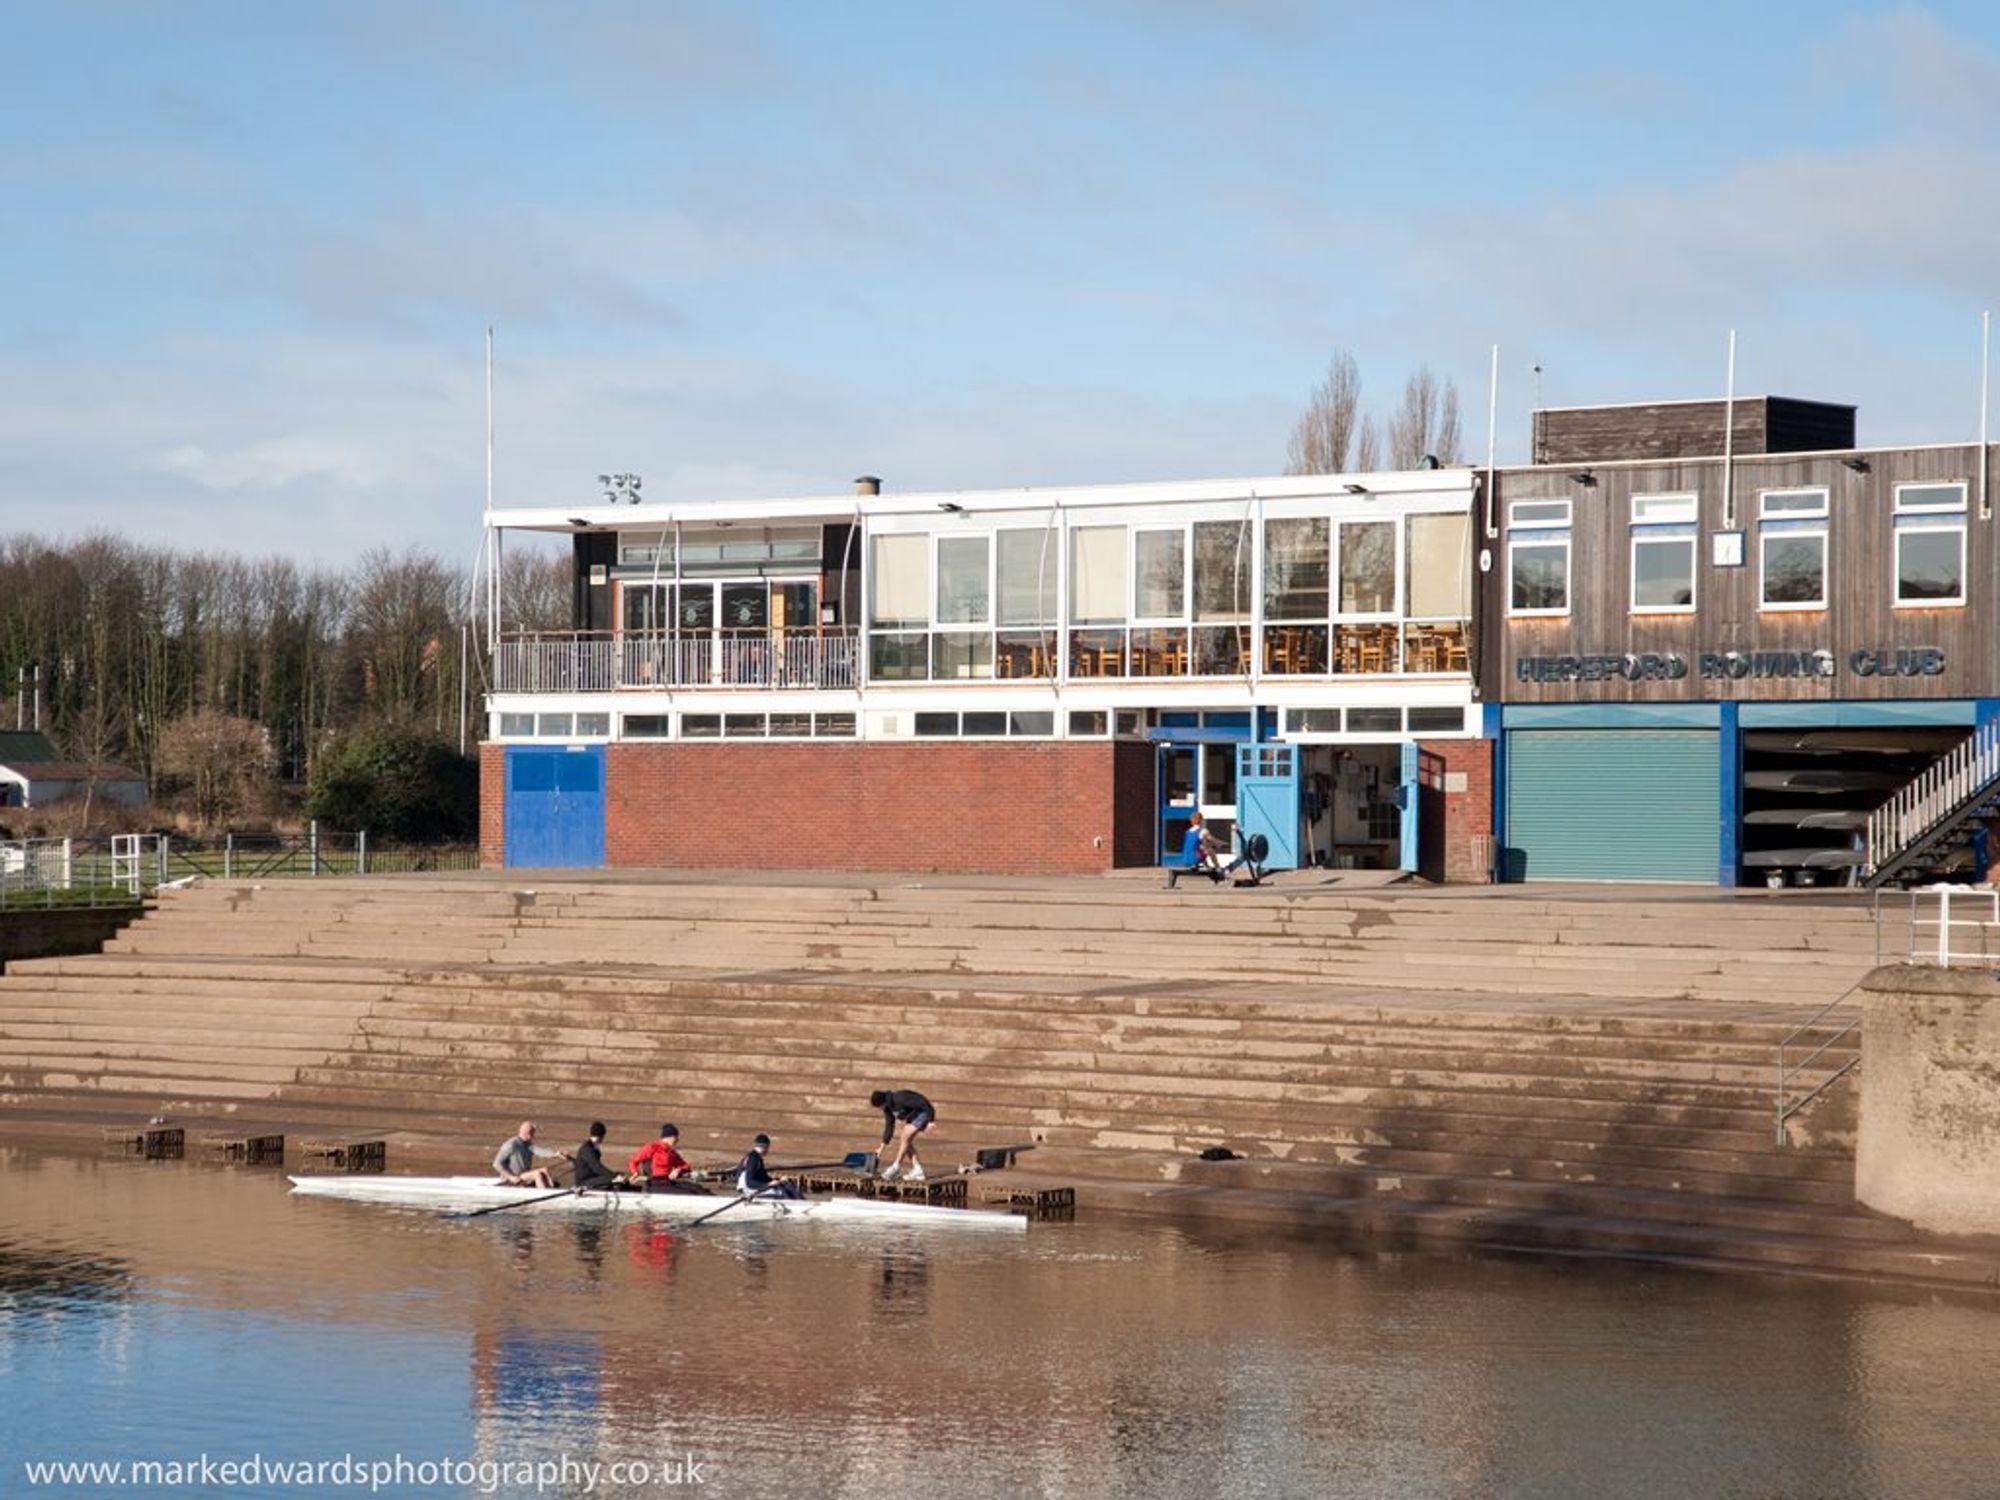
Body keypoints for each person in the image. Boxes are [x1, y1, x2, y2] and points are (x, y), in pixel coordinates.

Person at [869, 1088, 934, 1182]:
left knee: (904, 1136)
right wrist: (881, 1148)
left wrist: (931, 1119)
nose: (880, 1109)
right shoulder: (887, 1109)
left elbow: (922, 1102)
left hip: (923, 1112)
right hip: (913, 1118)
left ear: (882, 1103)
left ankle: (896, 1167)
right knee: (906, 1141)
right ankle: (918, 1169)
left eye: (879, 1107)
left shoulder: (900, 1098)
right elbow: (889, 1127)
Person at [628, 1123, 704, 1192]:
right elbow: (633, 1161)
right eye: (676, 1137)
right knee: (688, 1193)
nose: (677, 1140)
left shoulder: (671, 1152)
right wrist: (635, 1173)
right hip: (655, 1184)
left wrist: (678, 1170)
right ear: (669, 1137)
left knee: (698, 1188)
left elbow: (686, 1167)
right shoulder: (652, 1147)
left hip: (668, 1182)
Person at [493, 1120, 563, 1189]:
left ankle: (551, 1188)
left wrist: (555, 1154)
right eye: (533, 1134)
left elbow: (540, 1151)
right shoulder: (511, 1145)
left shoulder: (528, 1145)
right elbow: (496, 1164)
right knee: (537, 1174)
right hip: (512, 1179)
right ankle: (543, 1194)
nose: (533, 1136)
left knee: (545, 1170)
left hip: (524, 1176)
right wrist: (511, 1177)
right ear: (528, 1134)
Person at [736, 1134, 802, 1199]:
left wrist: (779, 1180)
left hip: (756, 1186)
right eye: (768, 1147)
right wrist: (768, 1184)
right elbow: (749, 1182)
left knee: (787, 1186)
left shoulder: (758, 1158)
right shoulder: (753, 1159)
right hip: (748, 1189)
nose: (768, 1150)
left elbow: (764, 1178)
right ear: (765, 1146)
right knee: (782, 1192)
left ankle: (804, 1204)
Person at [570, 1122, 621, 1191]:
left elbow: (580, 1163)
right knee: (614, 1178)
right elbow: (597, 1168)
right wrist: (614, 1176)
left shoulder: (592, 1147)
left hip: (591, 1178)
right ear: (601, 1135)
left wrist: (616, 1175)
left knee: (618, 1175)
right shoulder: (587, 1149)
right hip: (583, 1182)